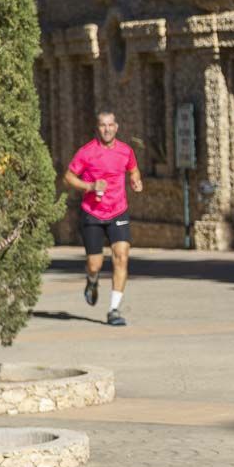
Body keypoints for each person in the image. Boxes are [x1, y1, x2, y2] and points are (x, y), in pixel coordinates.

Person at [63, 111, 143, 326]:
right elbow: (68, 177)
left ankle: (114, 309)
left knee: (121, 256)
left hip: (118, 211)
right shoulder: (86, 152)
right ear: (97, 128)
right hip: (92, 212)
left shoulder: (125, 151)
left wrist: (136, 181)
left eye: (110, 125)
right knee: (94, 264)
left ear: (116, 127)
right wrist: (89, 186)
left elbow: (133, 171)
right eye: (102, 125)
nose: (107, 129)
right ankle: (92, 280)